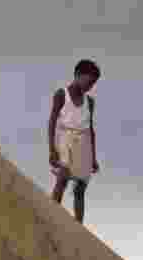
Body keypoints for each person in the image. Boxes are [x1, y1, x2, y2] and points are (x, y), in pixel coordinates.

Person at [48, 59, 100, 223]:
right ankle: (50, 216)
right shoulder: (61, 94)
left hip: (83, 143)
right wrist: (51, 149)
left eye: (93, 84)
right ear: (78, 75)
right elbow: (51, 122)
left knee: (80, 188)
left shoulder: (90, 102)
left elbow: (91, 129)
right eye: (88, 81)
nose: (90, 86)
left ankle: (78, 226)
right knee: (62, 180)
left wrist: (93, 157)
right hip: (64, 139)